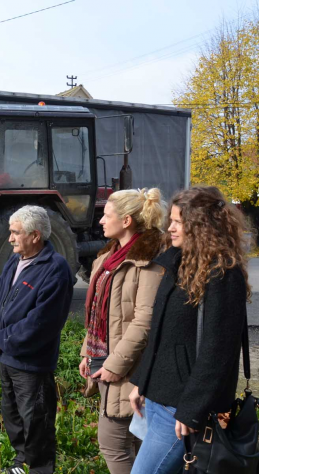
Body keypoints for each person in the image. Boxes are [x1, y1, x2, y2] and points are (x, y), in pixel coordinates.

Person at [128, 186, 252, 474]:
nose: (169, 228)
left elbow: (217, 351)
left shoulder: (222, 273)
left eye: (177, 222)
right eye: (171, 220)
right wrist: (141, 382)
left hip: (181, 407)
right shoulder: (179, 262)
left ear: (200, 226)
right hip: (159, 398)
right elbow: (160, 332)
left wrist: (192, 409)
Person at [0, 205, 75, 474]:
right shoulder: (15, 260)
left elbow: (42, 323)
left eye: (15, 232)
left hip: (31, 363)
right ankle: (21, 464)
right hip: (7, 356)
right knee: (13, 415)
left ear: (35, 236)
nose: (10, 238)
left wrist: (4, 339)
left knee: (37, 421)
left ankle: (39, 468)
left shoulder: (55, 270)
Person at [78, 188, 167, 474]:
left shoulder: (149, 262)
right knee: (135, 444)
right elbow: (95, 314)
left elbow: (144, 320)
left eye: (107, 215)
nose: (101, 221)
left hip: (127, 367)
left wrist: (116, 364)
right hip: (103, 360)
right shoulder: (108, 257)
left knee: (113, 445)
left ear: (126, 220)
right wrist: (86, 353)